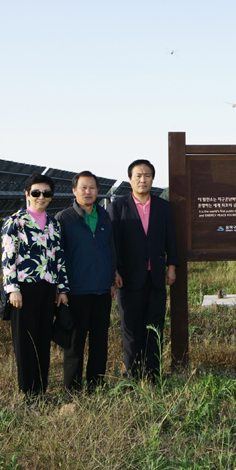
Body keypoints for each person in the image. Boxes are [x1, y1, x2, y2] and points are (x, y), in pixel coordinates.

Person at [108, 159, 178, 380]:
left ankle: (153, 375)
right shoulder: (118, 207)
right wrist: (115, 271)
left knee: (154, 326)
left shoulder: (163, 206)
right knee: (131, 329)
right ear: (130, 179)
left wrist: (172, 267)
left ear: (152, 179)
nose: (142, 179)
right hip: (128, 279)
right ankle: (133, 375)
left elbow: (171, 239)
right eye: (138, 175)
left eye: (147, 175)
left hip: (156, 277)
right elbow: (113, 243)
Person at [1, 174, 68, 396]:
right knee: (25, 342)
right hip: (24, 288)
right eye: (36, 192)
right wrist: (13, 289)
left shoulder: (53, 223)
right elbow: (8, 257)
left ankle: (41, 390)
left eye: (47, 193)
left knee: (42, 340)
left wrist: (62, 289)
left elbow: (59, 257)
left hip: (47, 288)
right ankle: (27, 393)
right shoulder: (15, 221)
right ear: (27, 194)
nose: (42, 197)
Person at [56, 171, 117, 392]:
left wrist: (111, 280)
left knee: (100, 341)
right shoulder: (64, 218)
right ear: (74, 191)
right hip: (77, 291)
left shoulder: (104, 216)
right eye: (83, 187)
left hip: (102, 291)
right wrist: (61, 288)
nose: (88, 192)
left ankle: (96, 384)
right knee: (75, 343)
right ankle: (71, 389)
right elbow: (58, 256)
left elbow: (110, 250)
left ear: (97, 191)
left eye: (92, 187)